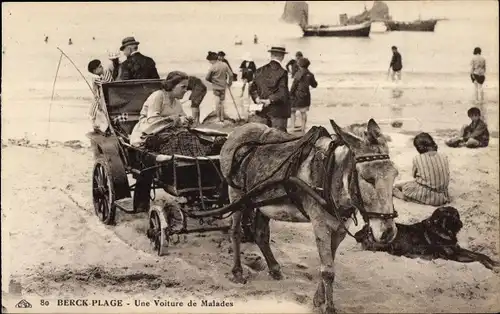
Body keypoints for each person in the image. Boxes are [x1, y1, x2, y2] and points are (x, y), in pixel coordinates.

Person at [130, 71, 212, 212]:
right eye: (183, 87)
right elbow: (152, 121)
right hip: (148, 133)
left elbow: (181, 118)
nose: (186, 91)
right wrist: (176, 120)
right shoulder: (158, 96)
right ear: (172, 85)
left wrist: (187, 121)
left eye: (187, 87)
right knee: (178, 143)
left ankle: (194, 183)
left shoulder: (176, 102)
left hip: (168, 133)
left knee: (194, 140)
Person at [393, 133, 450, 206]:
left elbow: (414, 176)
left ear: (418, 148)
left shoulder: (417, 158)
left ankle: (403, 197)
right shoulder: (443, 156)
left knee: (406, 187)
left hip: (428, 195)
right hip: (443, 195)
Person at [249, 45, 290, 132]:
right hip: (277, 112)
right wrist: (270, 100)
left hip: (261, 111)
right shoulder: (283, 72)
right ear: (282, 56)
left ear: (271, 55)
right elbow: (282, 93)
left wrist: (256, 99)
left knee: (262, 138)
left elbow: (252, 88)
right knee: (279, 139)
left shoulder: (259, 70)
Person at [290, 57, 317, 134]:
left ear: (300, 65)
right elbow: (314, 85)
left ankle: (292, 127)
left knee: (292, 111)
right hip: (306, 96)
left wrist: (290, 94)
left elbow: (294, 86)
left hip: (296, 95)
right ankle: (303, 128)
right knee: (303, 112)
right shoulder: (310, 74)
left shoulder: (298, 74)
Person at [206, 51, 233, 123]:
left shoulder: (213, 67)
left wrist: (213, 81)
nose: (209, 62)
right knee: (222, 102)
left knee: (217, 102)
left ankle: (218, 118)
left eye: (210, 61)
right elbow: (231, 75)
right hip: (223, 86)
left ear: (212, 60)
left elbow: (207, 78)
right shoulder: (225, 64)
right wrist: (229, 83)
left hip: (216, 87)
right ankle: (222, 117)